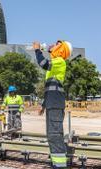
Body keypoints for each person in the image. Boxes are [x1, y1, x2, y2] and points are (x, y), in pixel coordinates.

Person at [33, 40, 73, 168]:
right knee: (52, 135)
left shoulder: (60, 61)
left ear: (61, 49)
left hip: (55, 104)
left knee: (55, 135)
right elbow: (50, 89)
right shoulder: (54, 67)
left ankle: (60, 166)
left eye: (57, 44)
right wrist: (43, 105)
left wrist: (37, 50)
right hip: (52, 104)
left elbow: (43, 63)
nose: (52, 45)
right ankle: (56, 164)